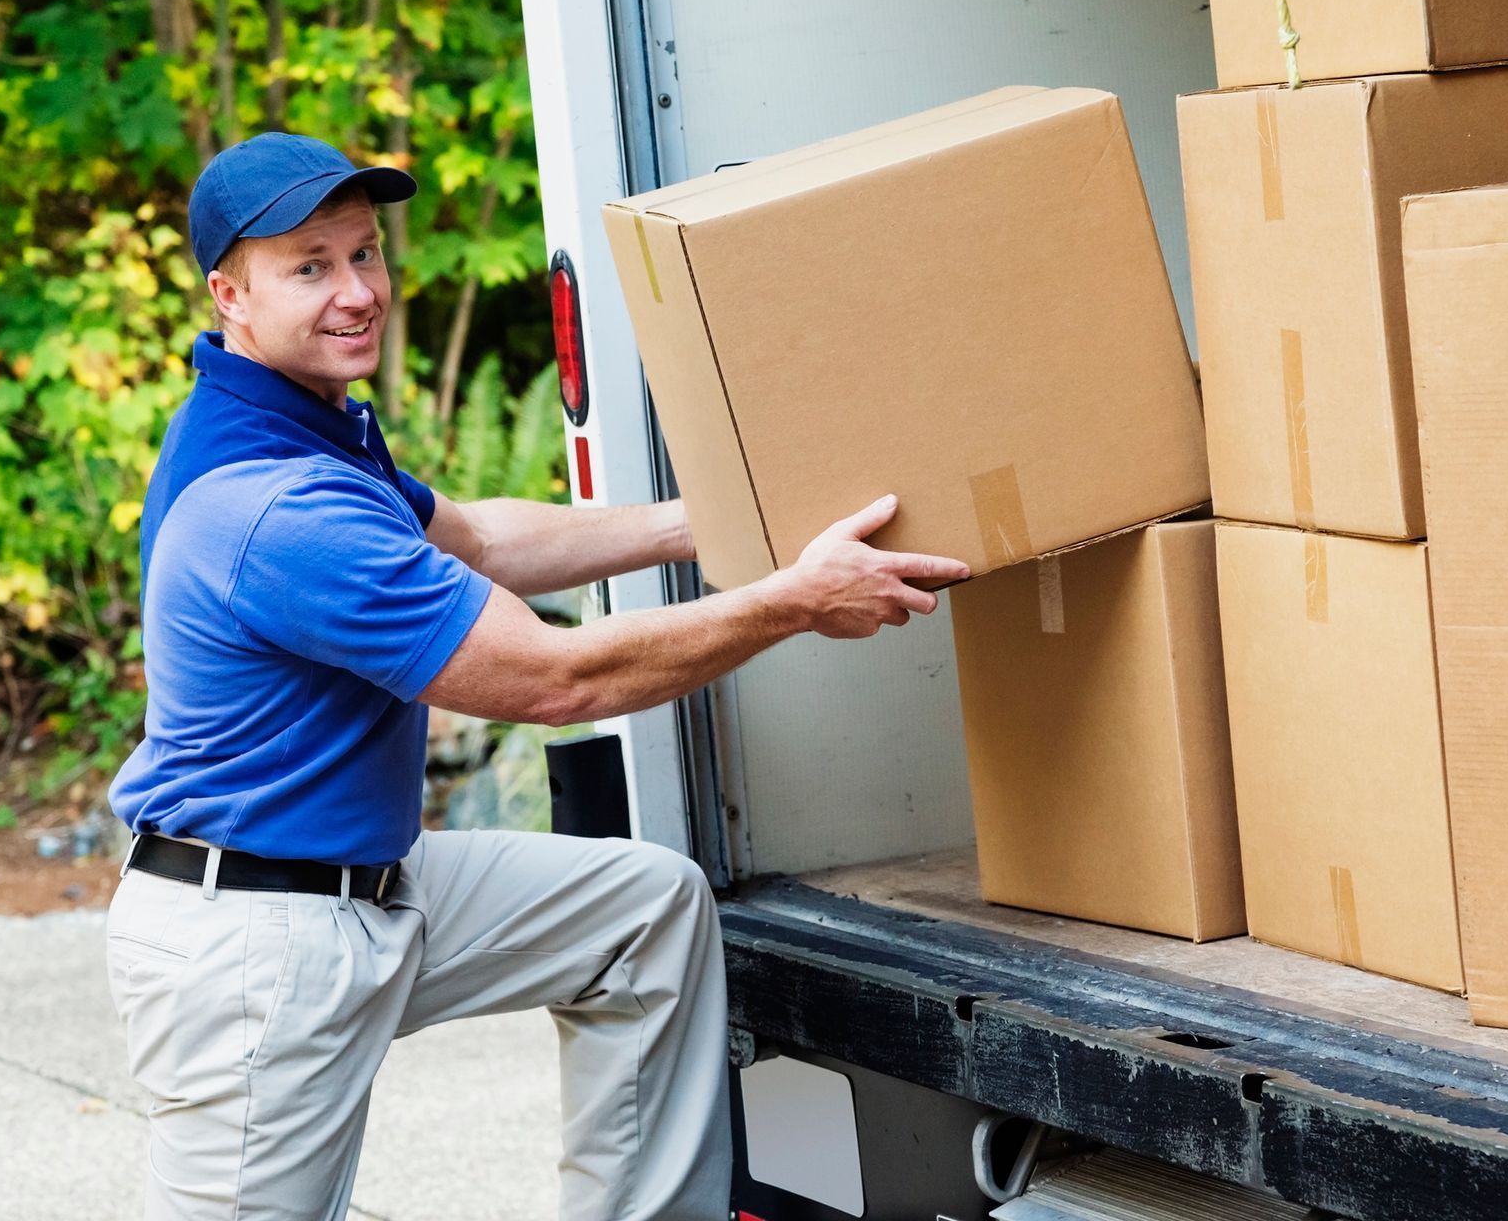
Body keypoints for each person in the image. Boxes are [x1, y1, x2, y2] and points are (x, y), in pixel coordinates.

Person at [104, 132, 969, 1221]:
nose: (357, 290)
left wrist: (707, 527)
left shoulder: (298, 427)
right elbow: (563, 679)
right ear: (230, 292)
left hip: (368, 885)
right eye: (310, 266)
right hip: (255, 945)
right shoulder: (278, 511)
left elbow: (487, 542)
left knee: (643, 911)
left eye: (365, 254)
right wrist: (795, 599)